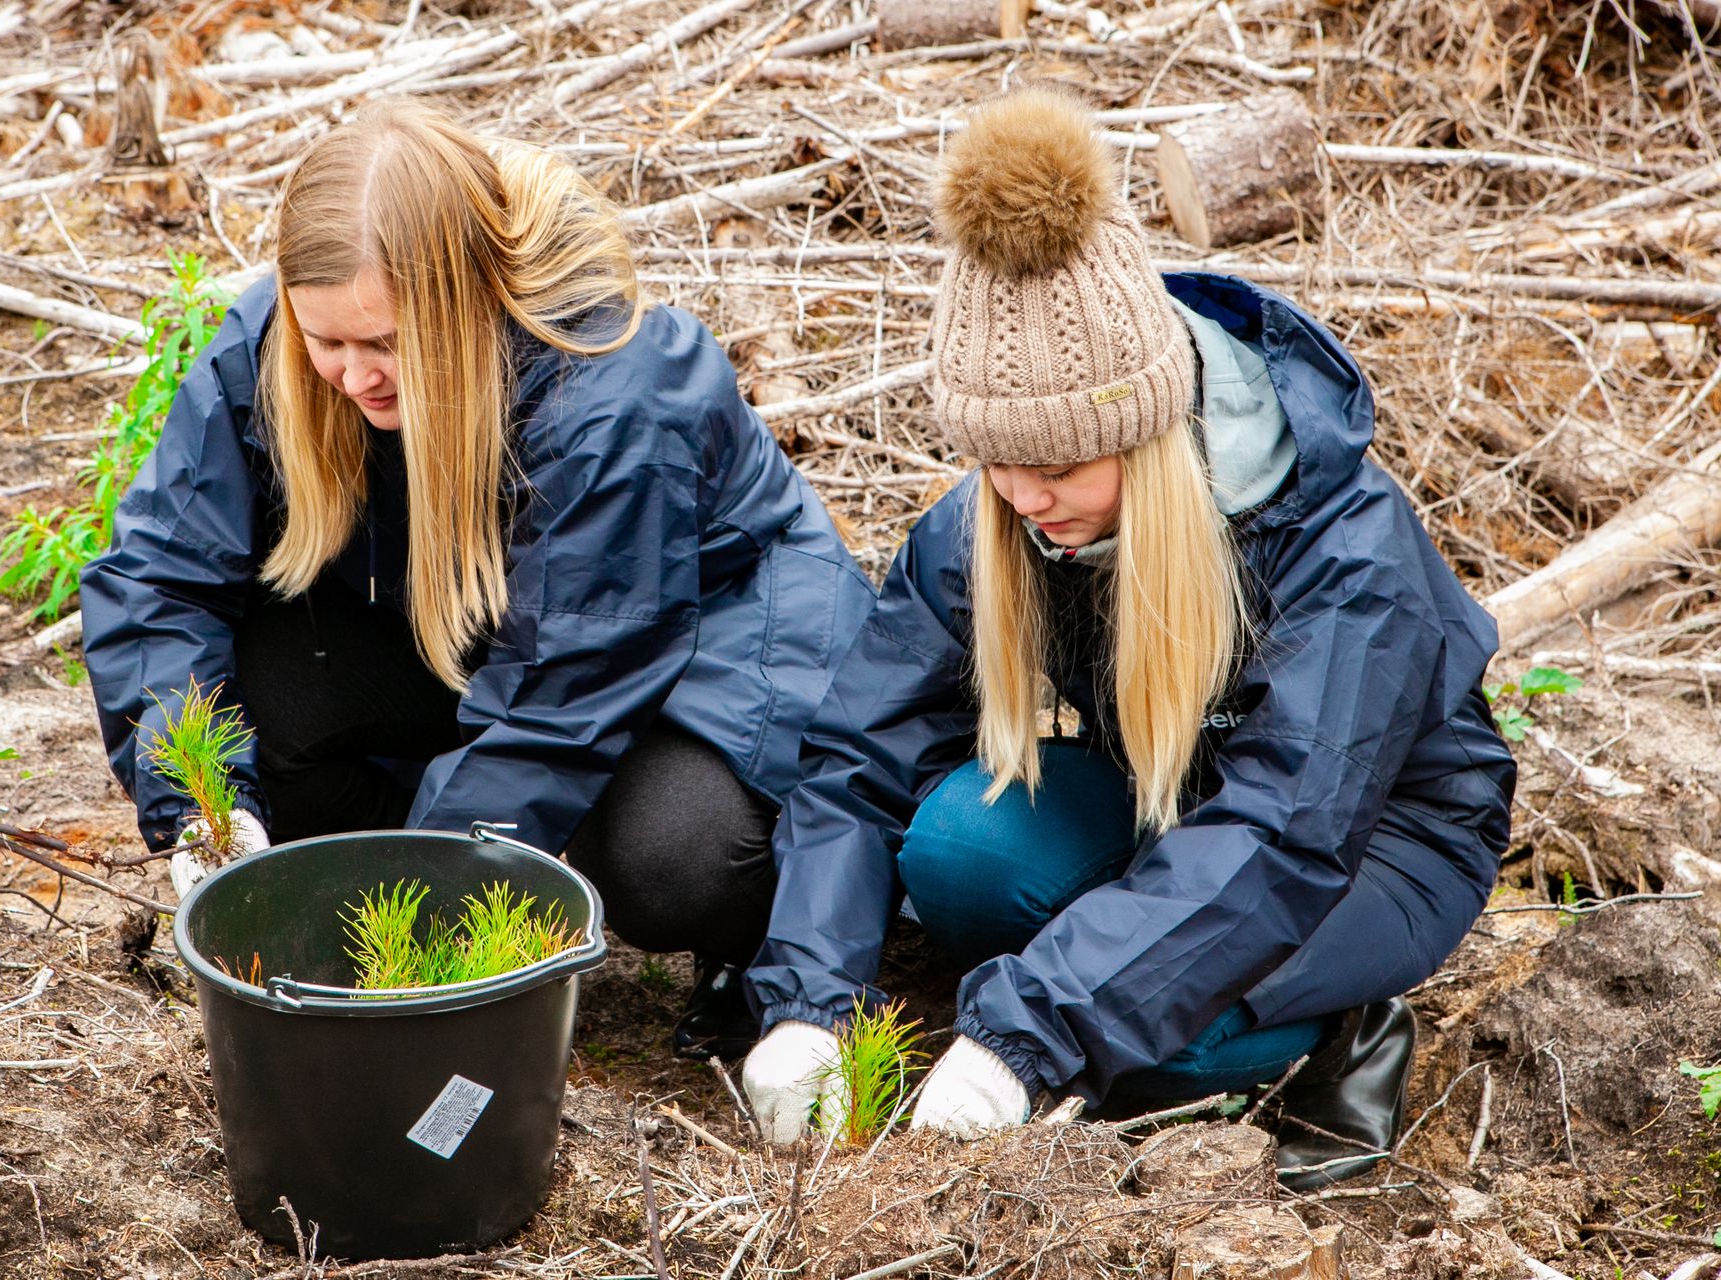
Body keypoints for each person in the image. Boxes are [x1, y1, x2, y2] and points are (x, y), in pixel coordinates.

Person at [739, 85, 1515, 1189]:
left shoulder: (1340, 544)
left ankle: (1346, 1024)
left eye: (1057, 468)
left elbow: (1284, 830)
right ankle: (1125, 966)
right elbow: (860, 761)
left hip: (1370, 840)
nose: (1023, 497)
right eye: (998, 464)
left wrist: (1029, 1031)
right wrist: (808, 1004)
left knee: (1162, 1039)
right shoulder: (1000, 518)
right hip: (1164, 783)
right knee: (962, 859)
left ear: (1145, 433)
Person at [81, 99, 874, 1058]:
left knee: (676, 861)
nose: (351, 375)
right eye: (327, 342)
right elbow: (160, 577)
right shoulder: (276, 345)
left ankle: (737, 953)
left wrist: (407, 918)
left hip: (712, 648)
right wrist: (205, 813)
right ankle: (435, 874)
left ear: (461, 304)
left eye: (385, 346)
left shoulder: (610, 389)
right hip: (502, 628)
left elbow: (563, 692)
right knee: (262, 697)